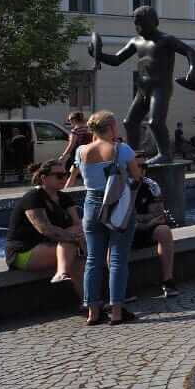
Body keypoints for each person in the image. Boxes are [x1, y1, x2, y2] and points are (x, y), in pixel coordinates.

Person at [89, 5, 195, 164]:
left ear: (152, 22)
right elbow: (116, 60)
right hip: (142, 90)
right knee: (129, 122)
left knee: (155, 122)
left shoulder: (166, 40)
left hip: (160, 88)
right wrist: (98, 55)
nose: (137, 26)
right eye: (135, 23)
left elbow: (191, 52)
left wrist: (193, 72)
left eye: (140, 22)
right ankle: (132, 156)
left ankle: (165, 154)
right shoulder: (136, 41)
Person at [65, 110, 141, 326]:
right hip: (117, 205)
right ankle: (116, 311)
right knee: (117, 259)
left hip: (91, 206)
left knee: (93, 260)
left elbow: (79, 174)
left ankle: (93, 312)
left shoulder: (81, 151)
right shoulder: (121, 149)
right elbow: (137, 177)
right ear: (111, 127)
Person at [4, 159, 85, 301]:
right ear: (44, 178)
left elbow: (78, 225)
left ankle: (92, 303)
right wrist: (74, 239)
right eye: (59, 176)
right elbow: (45, 229)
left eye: (65, 175)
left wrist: (78, 237)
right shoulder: (33, 198)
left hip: (54, 245)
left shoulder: (64, 198)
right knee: (76, 259)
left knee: (78, 249)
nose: (64, 178)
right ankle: (88, 301)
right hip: (24, 252)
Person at [133, 161, 180, 297]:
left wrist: (142, 221)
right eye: (138, 165)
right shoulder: (119, 185)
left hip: (145, 228)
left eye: (144, 166)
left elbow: (158, 215)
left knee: (164, 231)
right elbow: (125, 218)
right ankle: (120, 291)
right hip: (125, 230)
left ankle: (168, 281)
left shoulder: (151, 185)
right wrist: (144, 219)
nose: (142, 170)